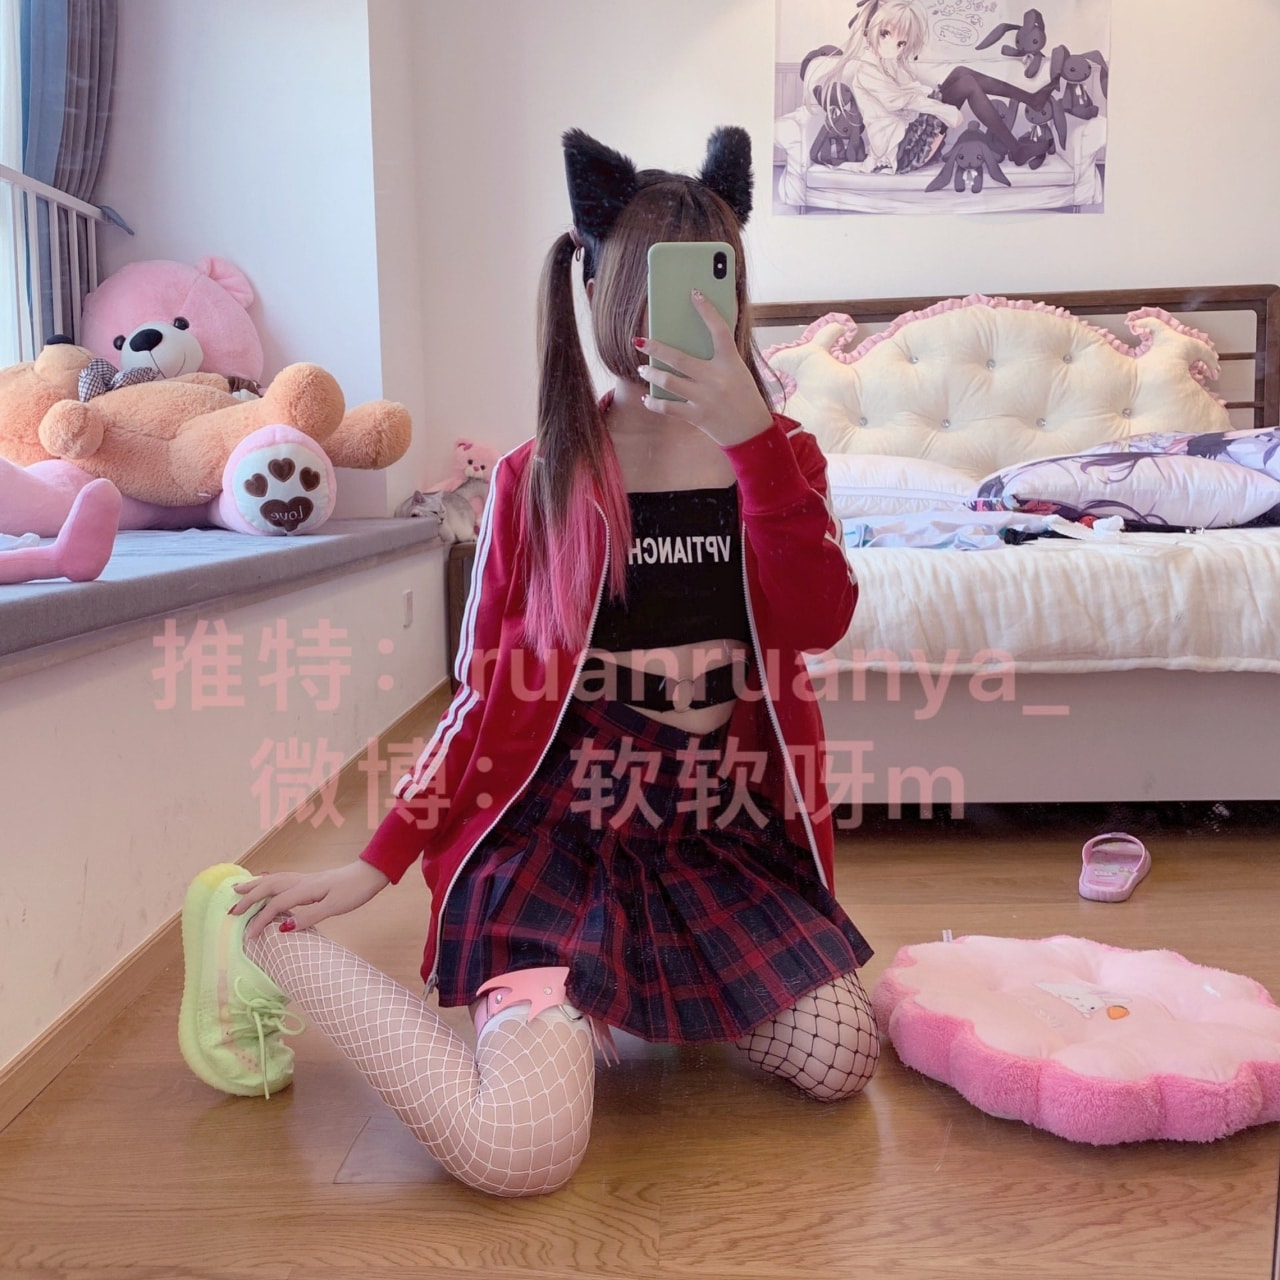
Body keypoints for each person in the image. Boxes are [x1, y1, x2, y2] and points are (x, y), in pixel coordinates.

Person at [177, 125, 878, 1199]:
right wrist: (378, 859)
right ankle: (259, 942)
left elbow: (818, 619)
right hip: (561, 830)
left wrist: (751, 448)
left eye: (713, 278)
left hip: (711, 825)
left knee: (842, 1058)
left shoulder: (782, 459)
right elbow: (483, 694)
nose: (688, 313)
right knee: (522, 1151)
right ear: (596, 290)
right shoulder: (537, 476)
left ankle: (611, 997)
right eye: (648, 286)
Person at [813, 0, 1054, 174]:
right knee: (966, 83)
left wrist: (934, 94)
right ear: (870, 30)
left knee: (960, 73)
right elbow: (897, 101)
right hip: (902, 149)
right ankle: (1017, 147)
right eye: (885, 34)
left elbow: (912, 88)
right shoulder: (867, 69)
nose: (895, 46)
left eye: (902, 43)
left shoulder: (888, 62)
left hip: (910, 132)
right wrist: (942, 108)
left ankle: (1032, 101)